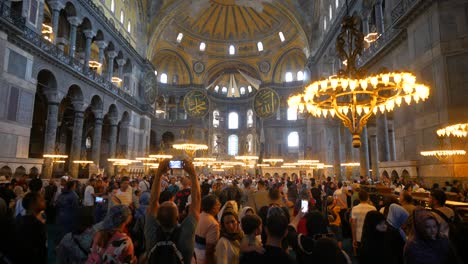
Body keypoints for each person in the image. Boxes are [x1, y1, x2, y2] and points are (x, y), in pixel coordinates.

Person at [146, 159, 201, 264]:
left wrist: (159, 173)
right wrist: (193, 173)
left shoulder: (152, 232)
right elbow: (197, 201)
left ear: (157, 218)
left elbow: (153, 202)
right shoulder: (185, 233)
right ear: (178, 218)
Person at [14, 192, 47, 263]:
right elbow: (40, 249)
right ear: (33, 205)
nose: (44, 201)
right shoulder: (36, 224)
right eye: (41, 200)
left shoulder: (19, 220)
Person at [195, 195, 221, 264]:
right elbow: (209, 249)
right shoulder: (213, 224)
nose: (220, 206)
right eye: (218, 204)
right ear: (213, 207)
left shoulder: (199, 216)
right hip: (203, 257)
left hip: (194, 253)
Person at [351, 190, 376, 254]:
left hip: (359, 235)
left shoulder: (354, 208)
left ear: (359, 198)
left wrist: (354, 238)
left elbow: (353, 225)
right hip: (370, 235)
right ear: (368, 197)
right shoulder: (373, 208)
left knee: (360, 254)